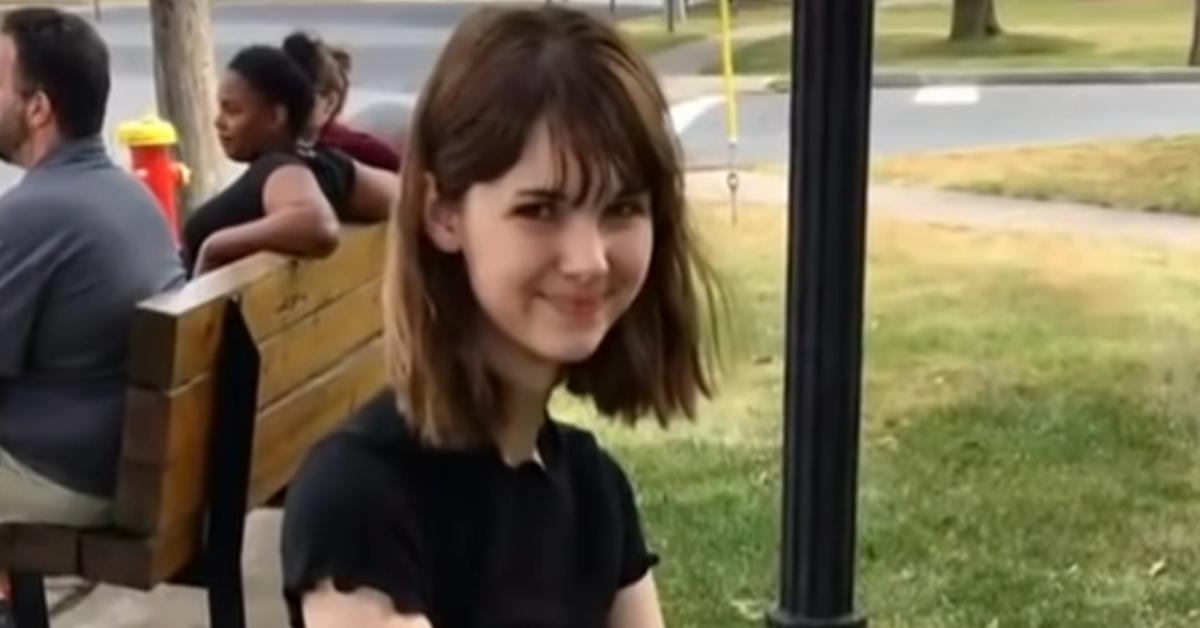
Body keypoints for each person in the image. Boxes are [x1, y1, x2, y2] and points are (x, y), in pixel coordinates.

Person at [281, 6, 720, 628]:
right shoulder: (362, 501)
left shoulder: (595, 491)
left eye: (621, 207)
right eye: (541, 209)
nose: (589, 260)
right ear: (442, 213)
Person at [0, 8, 185, 525]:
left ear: (37, 108)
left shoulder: (34, 212)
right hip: (127, 457)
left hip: (65, 476)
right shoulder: (128, 194)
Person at [182, 44, 397, 275]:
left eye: (232, 110)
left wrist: (215, 246)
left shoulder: (278, 168)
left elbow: (318, 225)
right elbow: (404, 196)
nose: (218, 122)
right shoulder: (327, 164)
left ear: (276, 116)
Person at [281, 31, 402, 171]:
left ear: (330, 103)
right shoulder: (270, 145)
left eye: (298, 95)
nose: (285, 107)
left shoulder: (363, 153)